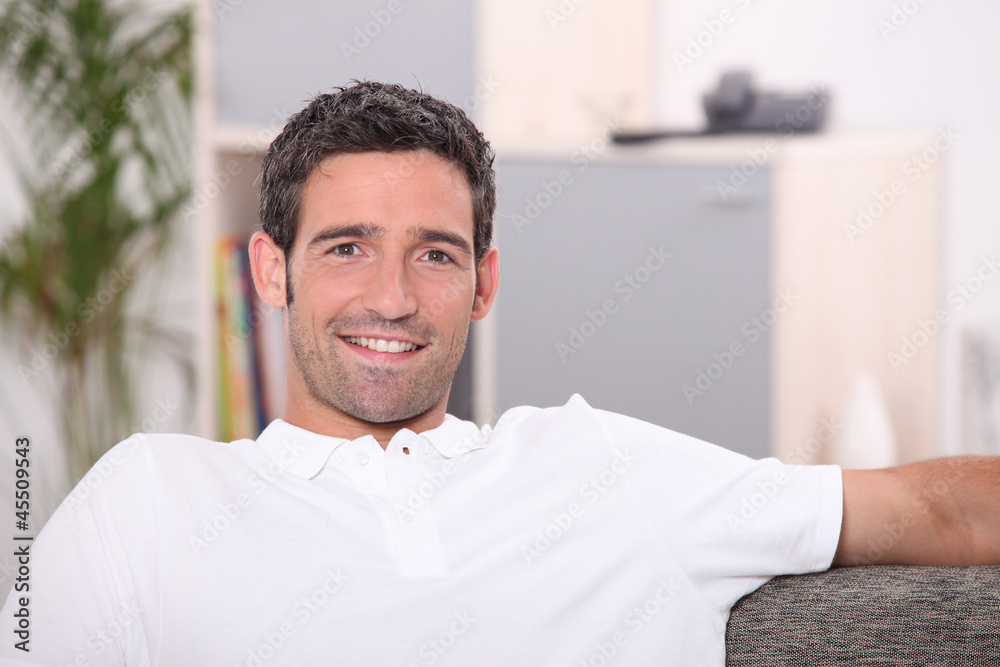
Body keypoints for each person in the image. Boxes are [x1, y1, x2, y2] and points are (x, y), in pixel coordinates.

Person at [1, 80, 998, 666]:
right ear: (273, 269)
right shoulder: (150, 495)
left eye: (433, 254)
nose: (391, 297)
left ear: (482, 284)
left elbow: (941, 512)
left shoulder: (602, 465)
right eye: (347, 246)